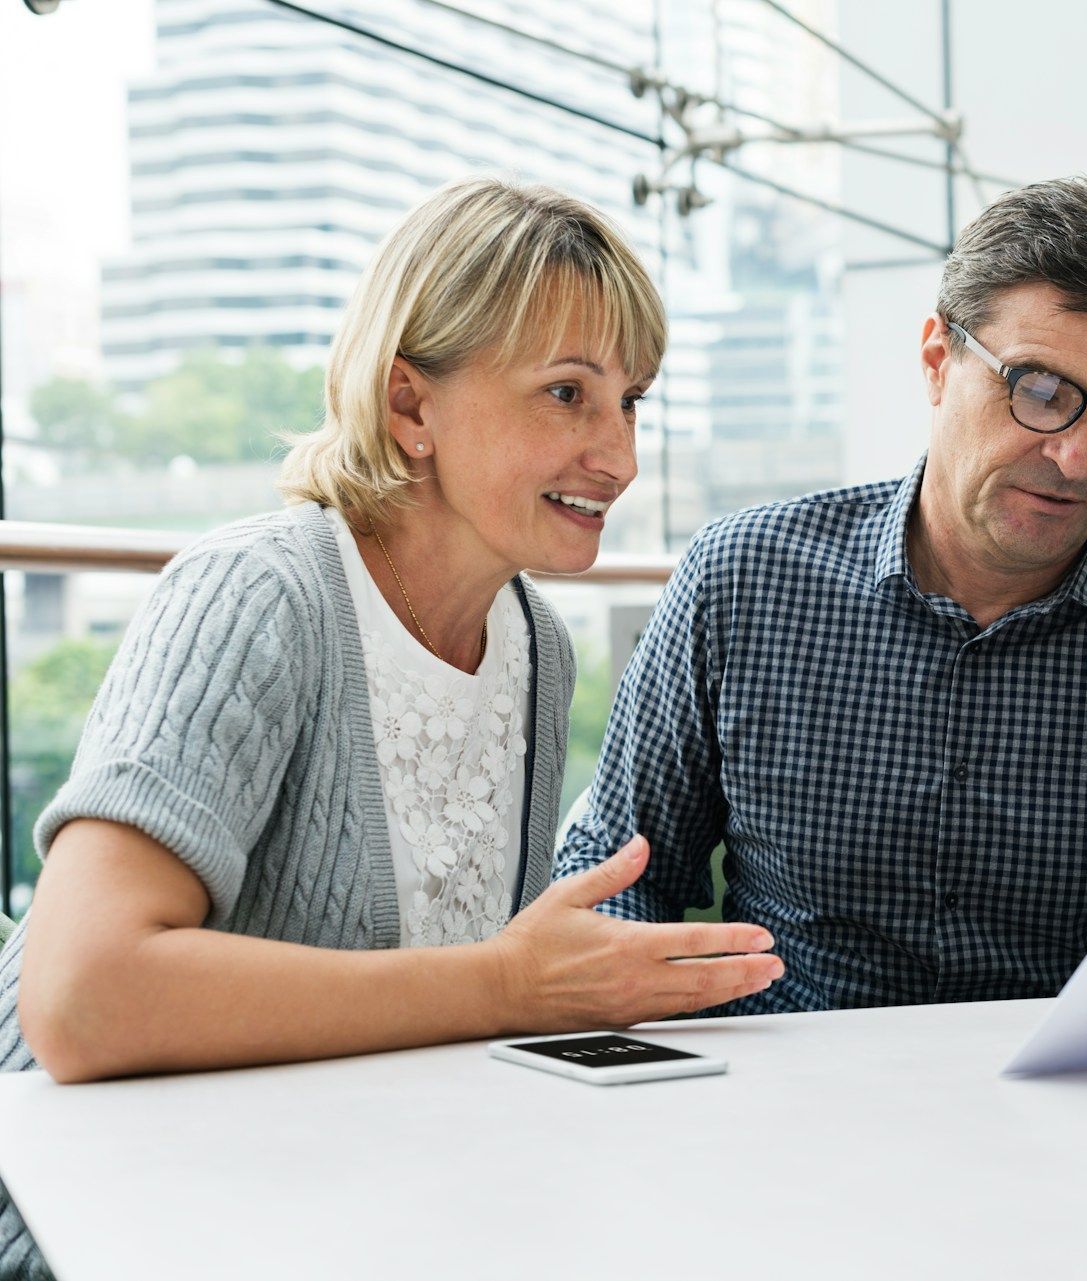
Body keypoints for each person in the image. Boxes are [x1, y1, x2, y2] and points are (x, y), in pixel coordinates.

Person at [0, 173, 787, 1280]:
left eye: (632, 401)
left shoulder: (535, 643)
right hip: (98, 1223)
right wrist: (517, 987)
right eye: (567, 394)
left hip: (342, 1204)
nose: (619, 457)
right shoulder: (257, 596)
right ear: (410, 406)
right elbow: (83, 1000)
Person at [558, 177, 1087, 1014]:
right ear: (937, 363)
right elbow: (615, 878)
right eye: (1042, 392)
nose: (1078, 459)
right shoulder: (744, 578)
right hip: (787, 1105)